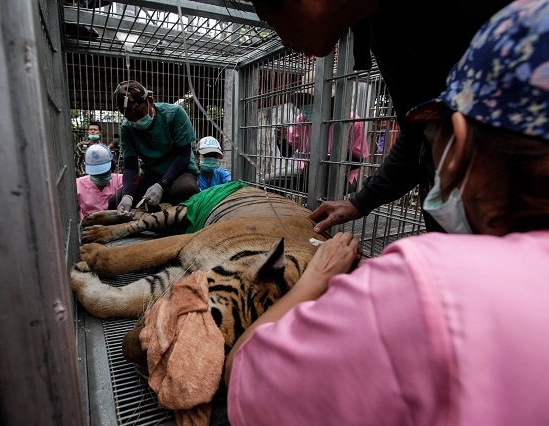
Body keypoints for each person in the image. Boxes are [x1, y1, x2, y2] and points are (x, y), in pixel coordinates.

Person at [225, 2, 549, 424]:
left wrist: (318, 276)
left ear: (457, 148)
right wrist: (359, 201)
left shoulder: (426, 287)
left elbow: (248, 381)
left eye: (433, 129)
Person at [245, 0, 512, 233]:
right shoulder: (383, 34)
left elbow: (364, 155)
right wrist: (360, 202)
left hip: (505, 206)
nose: (280, 38)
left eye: (270, 18)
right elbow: (417, 136)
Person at [109, 80, 200, 215]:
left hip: (179, 173)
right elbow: (130, 167)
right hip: (151, 175)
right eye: (130, 118)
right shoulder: (127, 128)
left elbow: (184, 156)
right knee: (115, 201)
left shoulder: (174, 114)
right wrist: (128, 195)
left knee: (186, 190)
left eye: (139, 114)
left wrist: (161, 184)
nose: (136, 121)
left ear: (150, 101)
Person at [76, 143, 123, 220]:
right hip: (89, 227)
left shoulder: (121, 181)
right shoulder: (78, 185)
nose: (100, 176)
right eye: (96, 174)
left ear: (112, 166)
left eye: (104, 173)